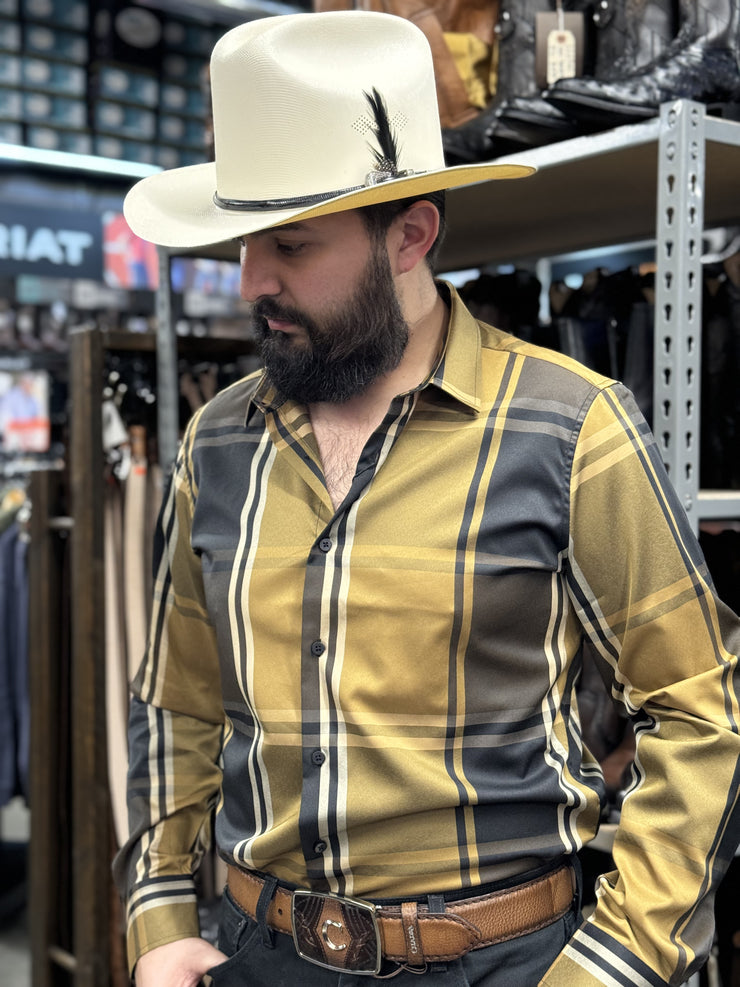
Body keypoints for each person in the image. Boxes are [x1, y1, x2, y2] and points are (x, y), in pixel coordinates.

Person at [114, 10, 740, 987]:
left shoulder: (571, 428)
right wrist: (157, 915)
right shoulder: (219, 441)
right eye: (243, 243)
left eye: (289, 244)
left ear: (409, 235)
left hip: (500, 962)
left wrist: (615, 961)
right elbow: (177, 700)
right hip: (256, 952)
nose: (249, 282)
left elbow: (697, 710)